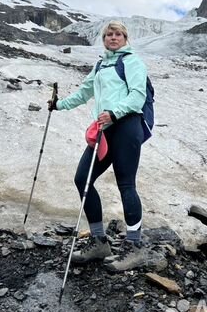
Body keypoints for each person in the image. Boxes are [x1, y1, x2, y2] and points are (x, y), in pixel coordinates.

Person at [49, 20, 148, 271]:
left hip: (126, 126)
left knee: (126, 183)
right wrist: (58, 105)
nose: (113, 38)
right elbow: (84, 92)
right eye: (108, 35)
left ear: (125, 38)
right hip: (105, 129)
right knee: (82, 179)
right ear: (103, 39)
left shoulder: (132, 62)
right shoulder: (101, 64)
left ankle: (134, 247)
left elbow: (137, 96)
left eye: (117, 34)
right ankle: (99, 241)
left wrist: (115, 113)